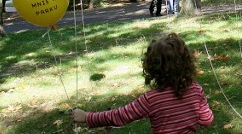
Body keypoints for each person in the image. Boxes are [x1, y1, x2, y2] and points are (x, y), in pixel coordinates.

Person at [72, 33, 214, 133]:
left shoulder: (151, 99)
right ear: (186, 63)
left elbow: (120, 116)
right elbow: (207, 120)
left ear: (152, 67)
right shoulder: (196, 90)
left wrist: (87, 117)